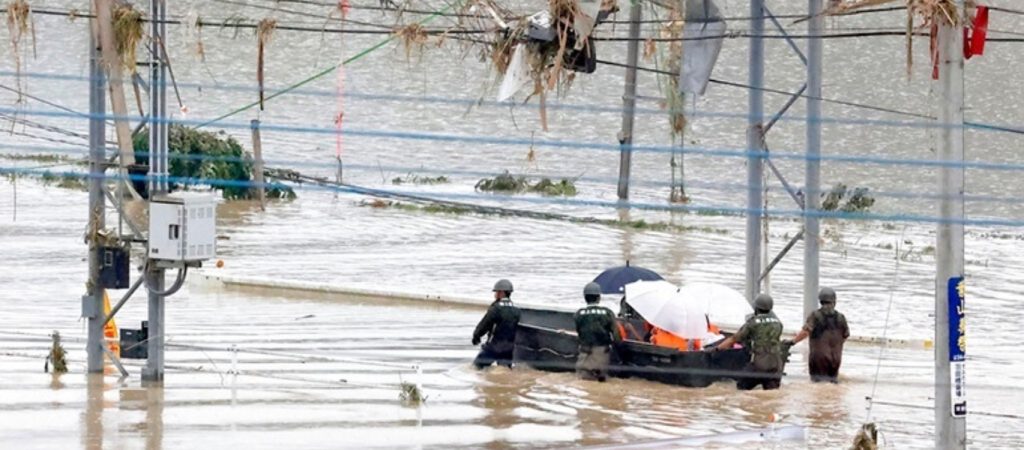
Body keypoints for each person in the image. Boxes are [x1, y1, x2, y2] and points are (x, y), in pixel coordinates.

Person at [708, 293, 785, 390]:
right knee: (771, 393)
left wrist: (716, 349)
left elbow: (733, 339)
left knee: (741, 388)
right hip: (776, 365)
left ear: (756, 308)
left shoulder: (752, 323)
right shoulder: (778, 323)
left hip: (759, 364)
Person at [785, 287, 850, 383]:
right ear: (834, 302)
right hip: (836, 359)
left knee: (818, 384)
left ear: (820, 301)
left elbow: (805, 332)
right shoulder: (841, 317)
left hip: (819, 359)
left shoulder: (815, 315)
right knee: (832, 383)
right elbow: (846, 335)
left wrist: (792, 342)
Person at [574, 282, 621, 381]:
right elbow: (616, 336)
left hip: (584, 354)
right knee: (601, 381)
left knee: (583, 381)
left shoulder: (578, 314)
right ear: (599, 298)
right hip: (602, 354)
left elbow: (579, 333)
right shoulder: (607, 313)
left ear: (585, 297)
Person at [471, 279, 522, 369]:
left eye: (496, 292)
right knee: (505, 371)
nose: (495, 295)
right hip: (509, 349)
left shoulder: (496, 309)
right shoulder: (517, 311)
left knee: (476, 368)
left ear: (501, 292)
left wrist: (476, 336)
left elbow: (484, 325)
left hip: (493, 347)